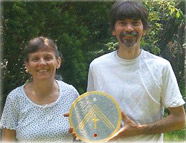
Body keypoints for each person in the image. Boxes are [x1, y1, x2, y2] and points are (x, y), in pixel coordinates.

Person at [87, 0, 185, 142]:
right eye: (122, 23)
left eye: (135, 23)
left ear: (144, 29)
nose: (129, 28)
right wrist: (80, 122)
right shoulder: (97, 67)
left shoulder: (161, 67)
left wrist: (138, 130)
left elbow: (180, 119)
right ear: (113, 29)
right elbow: (94, 113)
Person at [1, 36, 79, 142]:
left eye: (48, 58)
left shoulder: (71, 93)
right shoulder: (15, 98)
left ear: (58, 62)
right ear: (27, 65)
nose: (42, 63)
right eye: (35, 59)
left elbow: (83, 134)